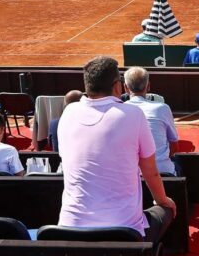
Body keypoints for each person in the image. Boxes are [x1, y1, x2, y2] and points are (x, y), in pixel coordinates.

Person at [56, 57, 176, 242]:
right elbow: (151, 172)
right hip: (125, 232)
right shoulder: (133, 114)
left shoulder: (68, 113)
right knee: (167, 208)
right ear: (117, 86)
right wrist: (163, 201)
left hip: (69, 228)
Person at [124, 67, 179, 176]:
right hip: (164, 173)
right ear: (148, 86)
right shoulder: (163, 108)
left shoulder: (118, 111)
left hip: (131, 178)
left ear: (125, 88)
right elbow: (174, 146)